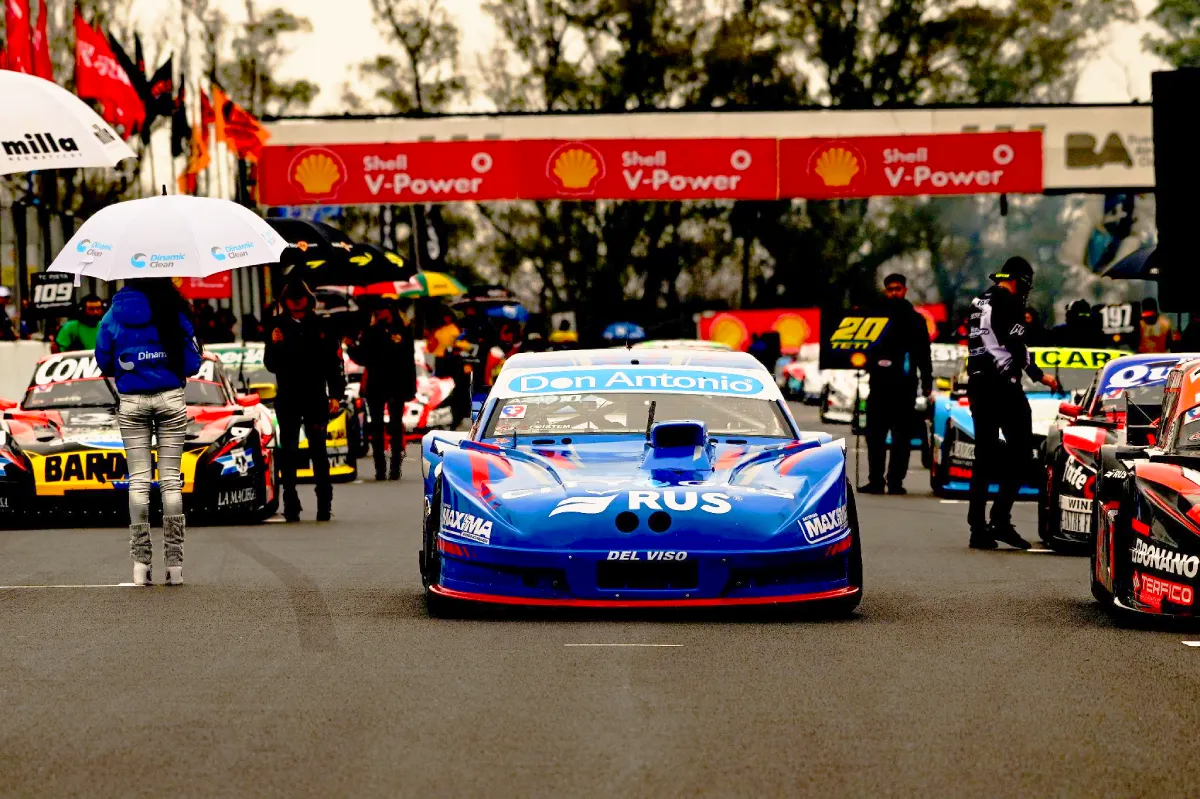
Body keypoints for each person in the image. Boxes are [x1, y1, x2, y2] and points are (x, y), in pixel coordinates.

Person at [94, 278, 202, 586]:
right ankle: (176, 567)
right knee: (171, 481)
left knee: (138, 481)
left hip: (131, 401)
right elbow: (193, 361)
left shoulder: (113, 314)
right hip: (170, 398)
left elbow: (103, 360)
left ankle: (140, 567)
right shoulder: (174, 309)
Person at [965, 257, 1060, 550]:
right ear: (1019, 280)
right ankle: (1001, 519)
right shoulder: (1011, 302)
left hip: (978, 385)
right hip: (1003, 387)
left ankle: (977, 528)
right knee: (1021, 454)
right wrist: (1040, 376)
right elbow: (1017, 349)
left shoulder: (978, 301)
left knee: (983, 458)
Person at [265, 278, 345, 522]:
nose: (296, 303)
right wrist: (276, 344)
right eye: (292, 298)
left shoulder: (322, 325)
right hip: (288, 397)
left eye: (301, 298)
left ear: (308, 301)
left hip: (315, 396)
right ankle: (291, 503)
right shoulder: (277, 325)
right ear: (285, 302)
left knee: (318, 451)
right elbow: (271, 365)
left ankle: (324, 503)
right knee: (287, 452)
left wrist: (335, 395)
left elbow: (334, 363)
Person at [859, 274, 933, 495]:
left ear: (905, 290)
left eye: (898, 289)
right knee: (874, 435)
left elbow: (924, 354)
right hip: (879, 385)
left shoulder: (915, 320)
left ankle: (895, 482)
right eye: (890, 289)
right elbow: (861, 347)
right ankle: (875, 480)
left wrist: (927, 381)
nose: (894, 293)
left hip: (905, 387)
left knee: (902, 437)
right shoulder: (874, 318)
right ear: (885, 290)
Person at [348, 302, 417, 481]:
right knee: (376, 426)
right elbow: (362, 358)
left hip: (396, 383)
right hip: (376, 384)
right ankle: (380, 468)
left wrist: (410, 388)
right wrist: (351, 347)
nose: (380, 313)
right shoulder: (370, 332)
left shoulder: (403, 330)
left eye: (383, 309)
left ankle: (395, 467)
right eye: (377, 310)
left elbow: (409, 361)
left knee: (395, 425)